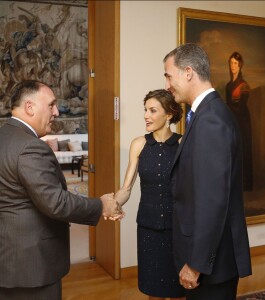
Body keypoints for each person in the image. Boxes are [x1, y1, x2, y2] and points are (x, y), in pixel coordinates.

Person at [0, 80, 123, 300]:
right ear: (30, 107)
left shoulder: (5, 136)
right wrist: (102, 205)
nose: (56, 112)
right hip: (32, 265)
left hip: (9, 259)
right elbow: (56, 202)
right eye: (51, 105)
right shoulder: (30, 146)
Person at [163, 43, 252, 300]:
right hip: (208, 259)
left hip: (211, 265)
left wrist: (197, 264)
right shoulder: (203, 114)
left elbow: (213, 201)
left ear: (188, 72)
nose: (168, 84)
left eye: (169, 75)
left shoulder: (211, 119)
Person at [114, 89, 186, 300]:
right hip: (148, 228)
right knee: (154, 291)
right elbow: (126, 188)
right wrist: (114, 204)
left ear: (169, 114)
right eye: (145, 110)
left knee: (179, 288)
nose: (146, 115)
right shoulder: (139, 144)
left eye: (153, 110)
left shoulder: (183, 144)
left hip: (178, 228)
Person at [226, 51, 253, 191]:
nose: (233, 66)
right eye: (231, 63)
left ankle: (246, 184)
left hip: (242, 121)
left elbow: (241, 106)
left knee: (243, 151)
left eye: (235, 63)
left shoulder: (244, 85)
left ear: (240, 65)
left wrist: (231, 115)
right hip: (231, 121)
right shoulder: (228, 86)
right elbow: (227, 105)